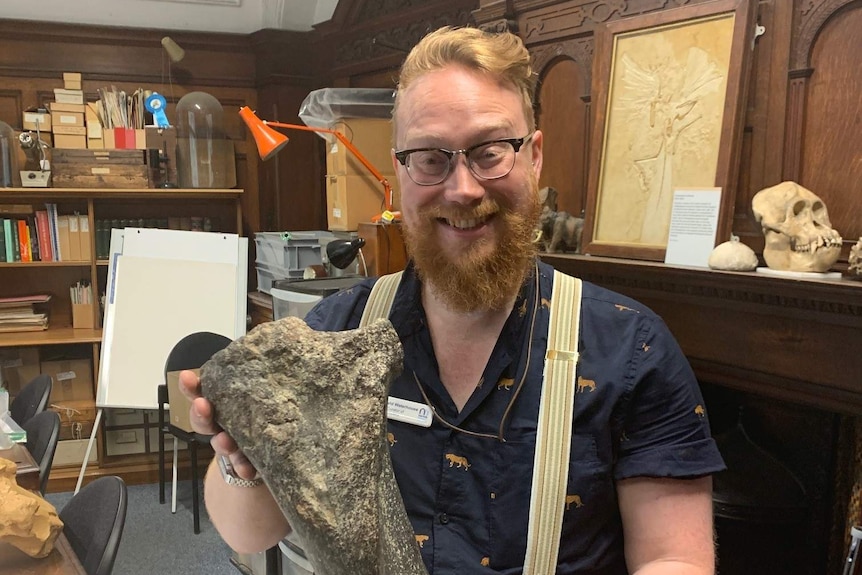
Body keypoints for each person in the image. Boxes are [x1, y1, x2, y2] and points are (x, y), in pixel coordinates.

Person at [180, 25, 725, 575]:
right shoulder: (334, 331)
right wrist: (242, 462)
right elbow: (247, 530)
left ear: (534, 157)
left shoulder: (633, 350)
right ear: (400, 169)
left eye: (490, 153)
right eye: (431, 159)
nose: (463, 189)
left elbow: (673, 557)